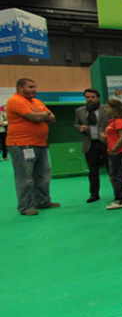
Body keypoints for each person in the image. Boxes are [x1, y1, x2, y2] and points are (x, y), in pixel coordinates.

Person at [5, 78, 60, 215]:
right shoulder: (15, 100)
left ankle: (43, 201)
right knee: (25, 178)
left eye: (35, 87)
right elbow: (35, 118)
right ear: (20, 88)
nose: (34, 89)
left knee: (43, 176)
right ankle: (26, 207)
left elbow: (52, 118)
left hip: (40, 144)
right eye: (30, 87)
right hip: (22, 145)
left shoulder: (37, 102)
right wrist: (43, 114)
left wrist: (42, 114)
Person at [74, 88, 109, 203]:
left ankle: (121, 194)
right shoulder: (80, 111)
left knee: (112, 170)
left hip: (105, 143)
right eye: (87, 97)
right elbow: (76, 124)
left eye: (92, 97)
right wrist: (80, 128)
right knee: (93, 171)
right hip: (90, 144)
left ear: (97, 97)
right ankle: (94, 194)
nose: (90, 99)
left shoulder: (106, 109)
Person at [103, 99, 122, 210]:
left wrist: (114, 148)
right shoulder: (112, 122)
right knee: (119, 176)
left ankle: (120, 199)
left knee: (116, 177)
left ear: (114, 109)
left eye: (108, 107)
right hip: (114, 152)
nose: (105, 109)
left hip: (119, 152)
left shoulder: (119, 121)